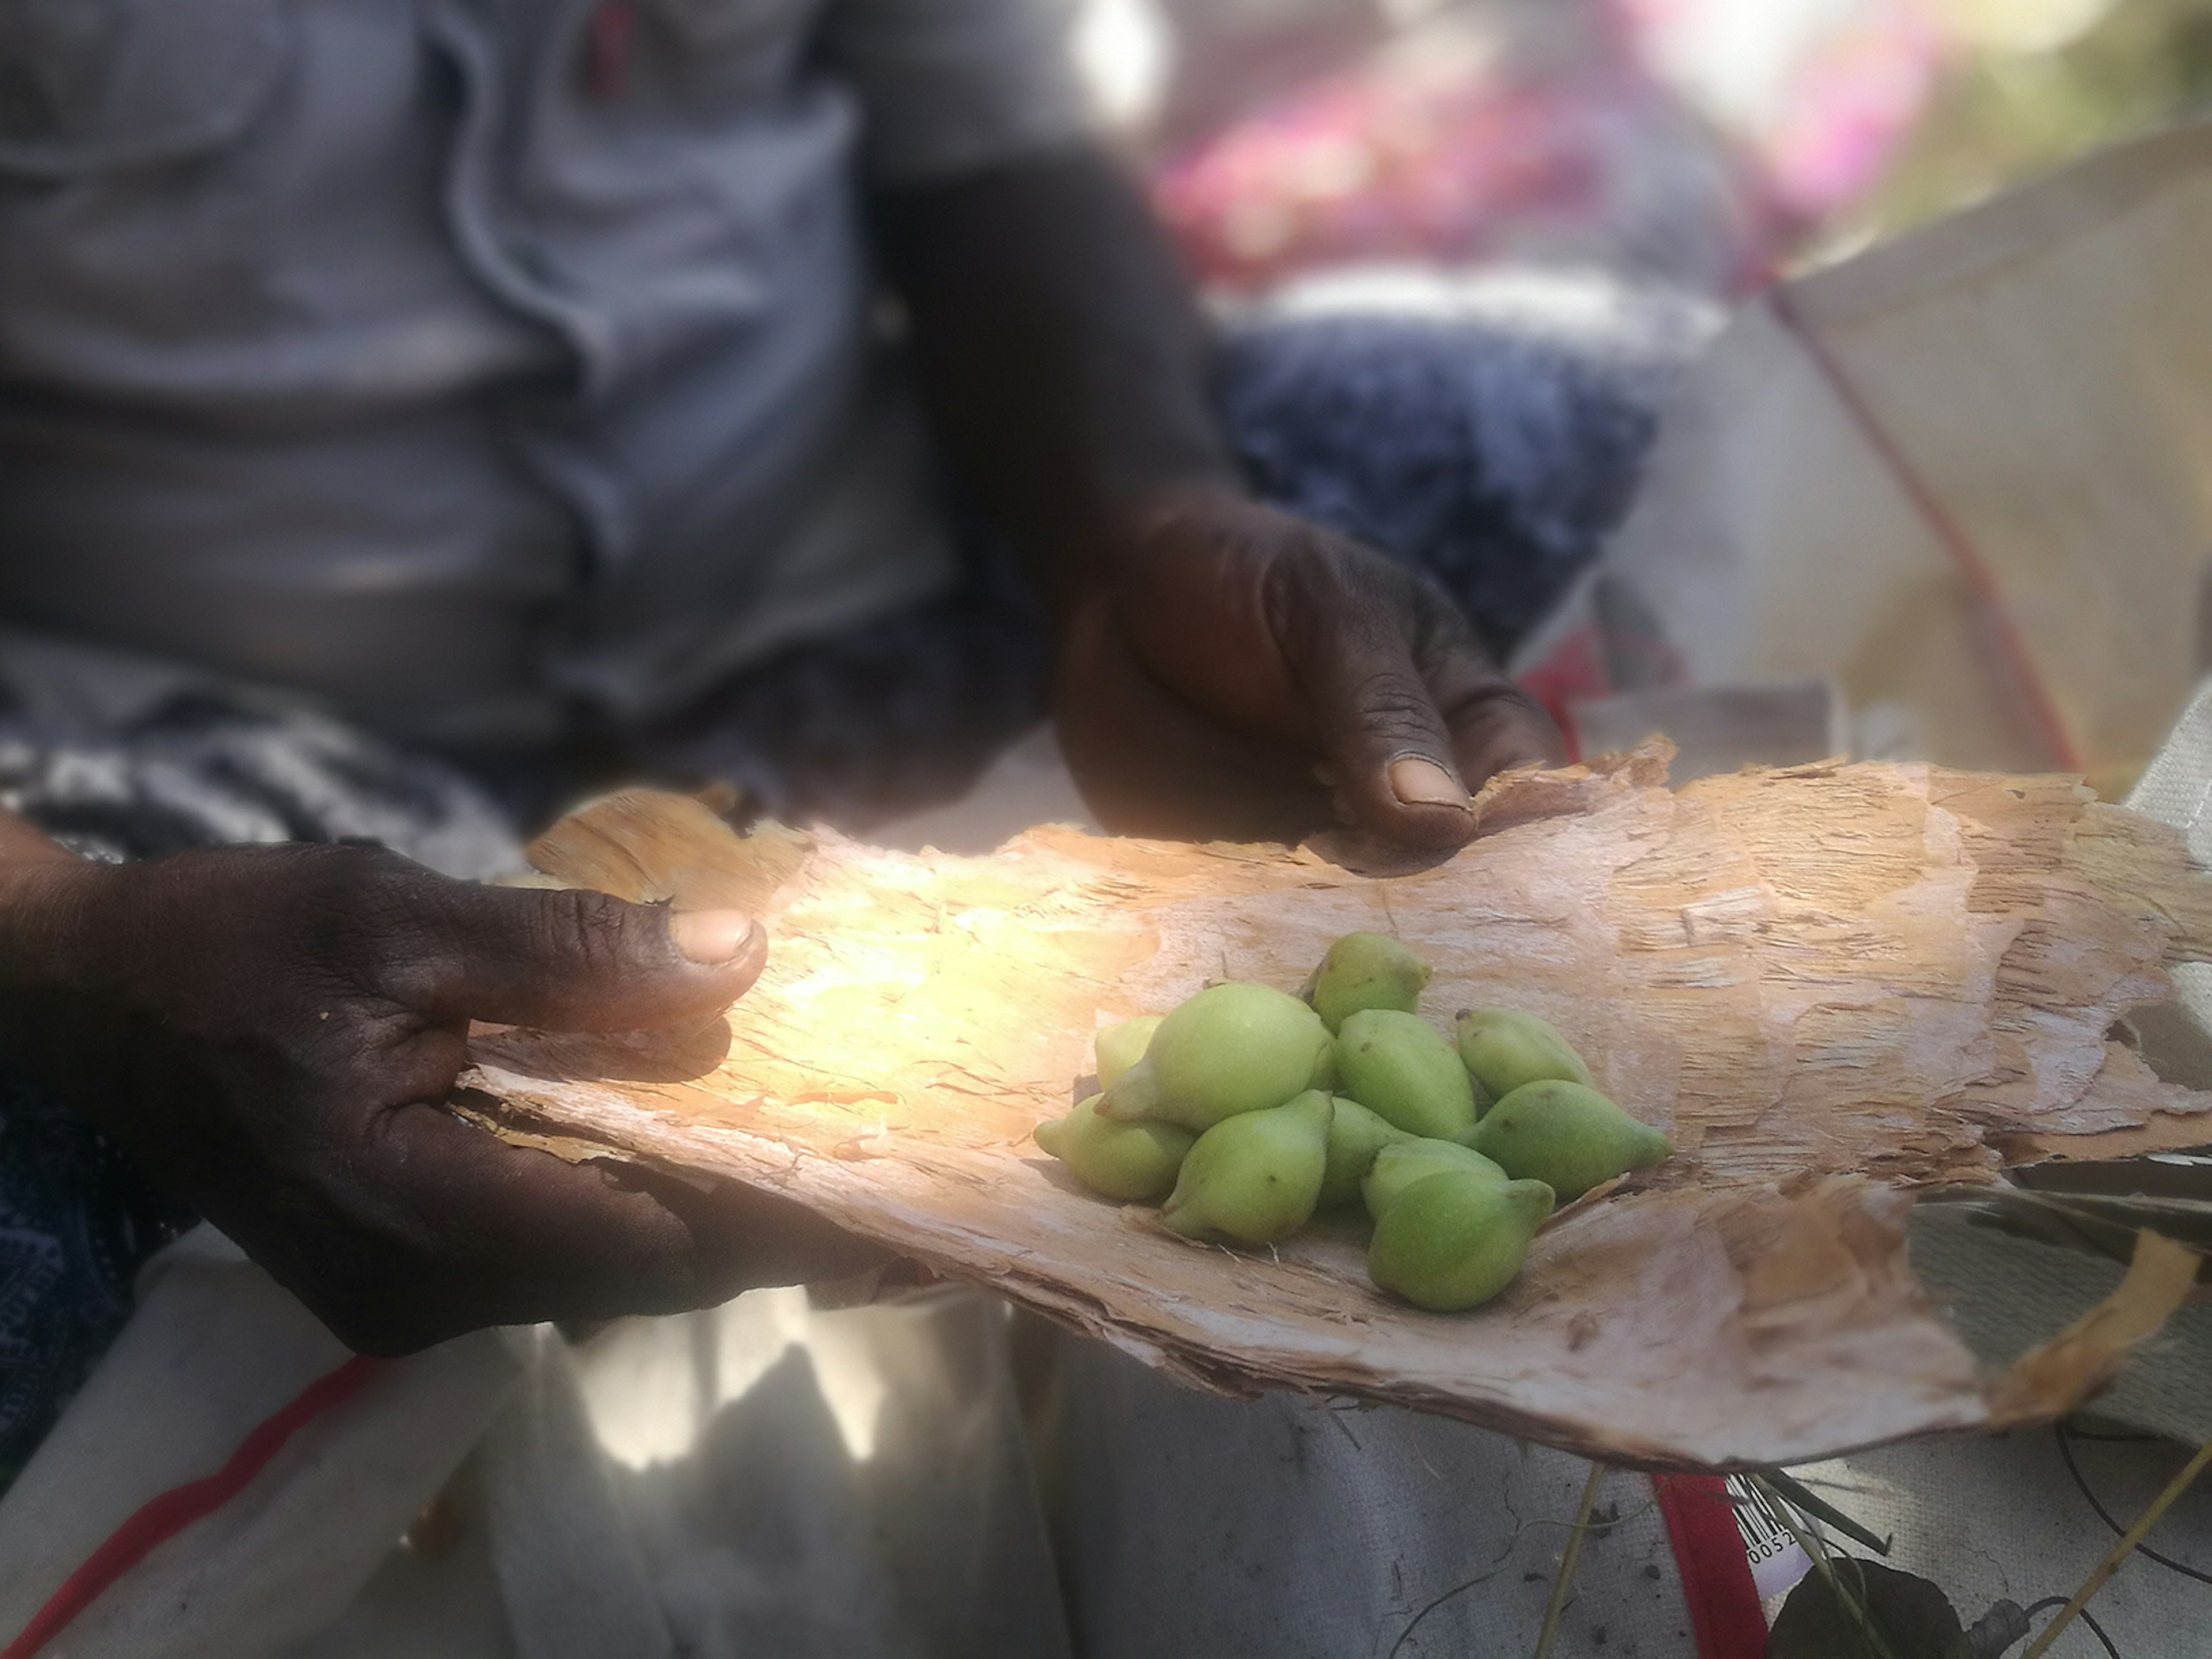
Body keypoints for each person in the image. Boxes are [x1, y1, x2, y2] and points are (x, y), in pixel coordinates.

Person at [0, 0, 1687, 1499]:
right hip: (182, 763)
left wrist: (1128, 535)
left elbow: (993, 149)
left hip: (848, 584)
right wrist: (70, 950)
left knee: (1575, 400)